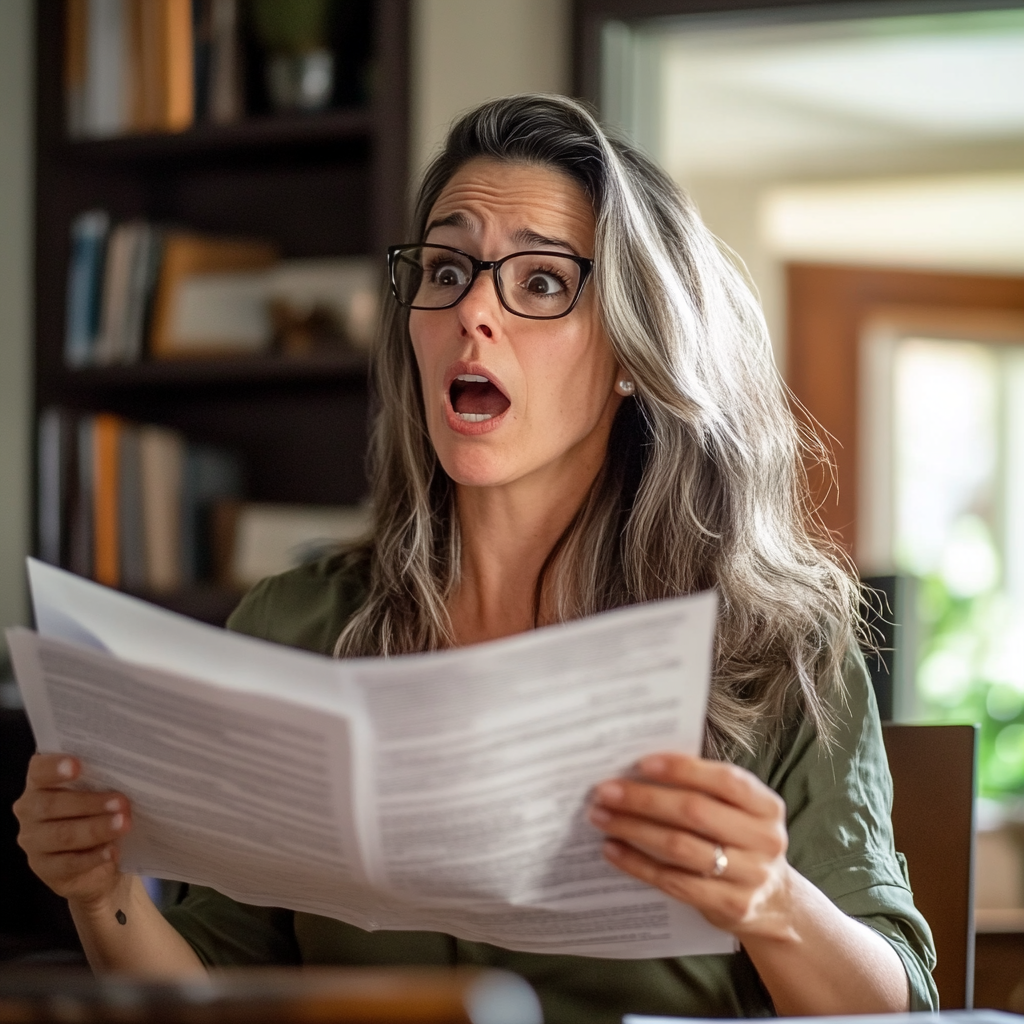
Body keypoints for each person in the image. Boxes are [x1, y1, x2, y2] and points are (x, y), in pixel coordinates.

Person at [15, 95, 937, 1022]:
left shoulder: (772, 648)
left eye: (539, 282)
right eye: (447, 269)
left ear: (630, 347)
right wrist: (103, 893)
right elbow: (215, 1000)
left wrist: (772, 902)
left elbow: (898, 1010)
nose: (474, 311)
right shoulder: (296, 625)